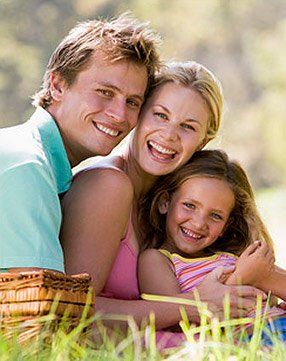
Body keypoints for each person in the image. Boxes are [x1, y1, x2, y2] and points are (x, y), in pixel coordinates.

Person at [61, 62, 264, 332]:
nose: (168, 136)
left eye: (188, 127)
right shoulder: (107, 184)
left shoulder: (176, 206)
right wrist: (196, 305)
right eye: (160, 115)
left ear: (203, 141)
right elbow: (71, 310)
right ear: (138, 115)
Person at [0, 13, 160, 273]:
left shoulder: (37, 163)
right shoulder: (27, 166)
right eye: (105, 92)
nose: (119, 115)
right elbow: (41, 306)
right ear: (58, 85)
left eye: (132, 102)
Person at [138, 149, 286, 342]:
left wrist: (264, 276)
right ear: (165, 202)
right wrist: (242, 278)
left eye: (215, 216)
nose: (199, 224)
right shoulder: (156, 260)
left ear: (227, 225)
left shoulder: (232, 256)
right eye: (189, 205)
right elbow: (177, 323)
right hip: (253, 339)